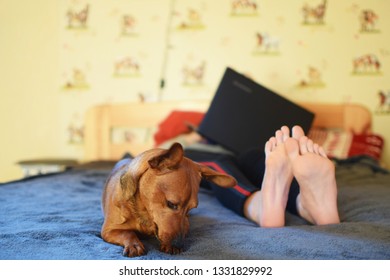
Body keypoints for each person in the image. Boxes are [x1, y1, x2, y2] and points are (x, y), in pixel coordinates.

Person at [183, 125, 340, 227]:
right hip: (212, 154)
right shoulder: (180, 146)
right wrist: (196, 133)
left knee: (258, 156)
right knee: (214, 164)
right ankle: (260, 204)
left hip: (241, 155)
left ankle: (305, 204)